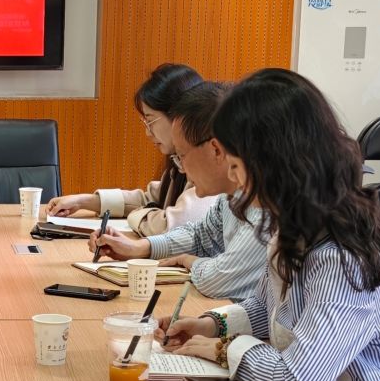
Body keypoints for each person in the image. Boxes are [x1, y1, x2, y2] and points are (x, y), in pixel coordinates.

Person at [160, 69, 380, 381]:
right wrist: (212, 325)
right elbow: (267, 308)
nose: (231, 174)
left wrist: (222, 349)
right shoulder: (293, 220)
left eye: (236, 161)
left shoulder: (342, 255)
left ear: (272, 161)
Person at [86, 80, 268, 303]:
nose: (181, 167)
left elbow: (219, 280)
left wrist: (189, 261)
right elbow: (200, 236)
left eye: (182, 155)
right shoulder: (229, 197)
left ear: (216, 150)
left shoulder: (264, 206)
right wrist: (139, 248)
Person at [46, 63, 216, 235]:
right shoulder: (177, 161)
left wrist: (137, 214)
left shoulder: (206, 166)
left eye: (151, 121)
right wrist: (84, 201)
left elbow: (171, 226)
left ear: (179, 117)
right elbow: (150, 200)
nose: (148, 132)